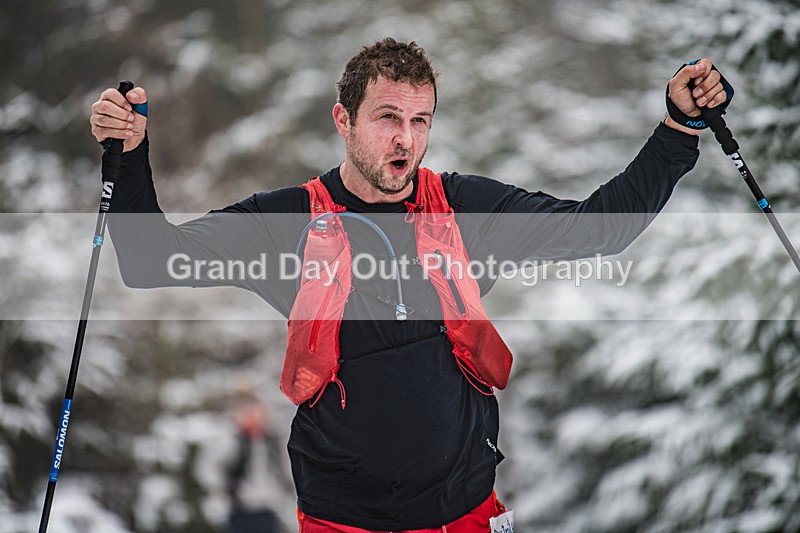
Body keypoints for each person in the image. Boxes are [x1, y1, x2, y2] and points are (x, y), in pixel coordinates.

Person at [89, 38, 731, 532]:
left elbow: (599, 231)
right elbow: (151, 261)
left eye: (421, 120)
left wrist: (677, 130)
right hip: (342, 517)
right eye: (387, 117)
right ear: (343, 118)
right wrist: (129, 156)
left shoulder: (464, 209)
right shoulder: (285, 223)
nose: (406, 138)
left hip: (464, 513)